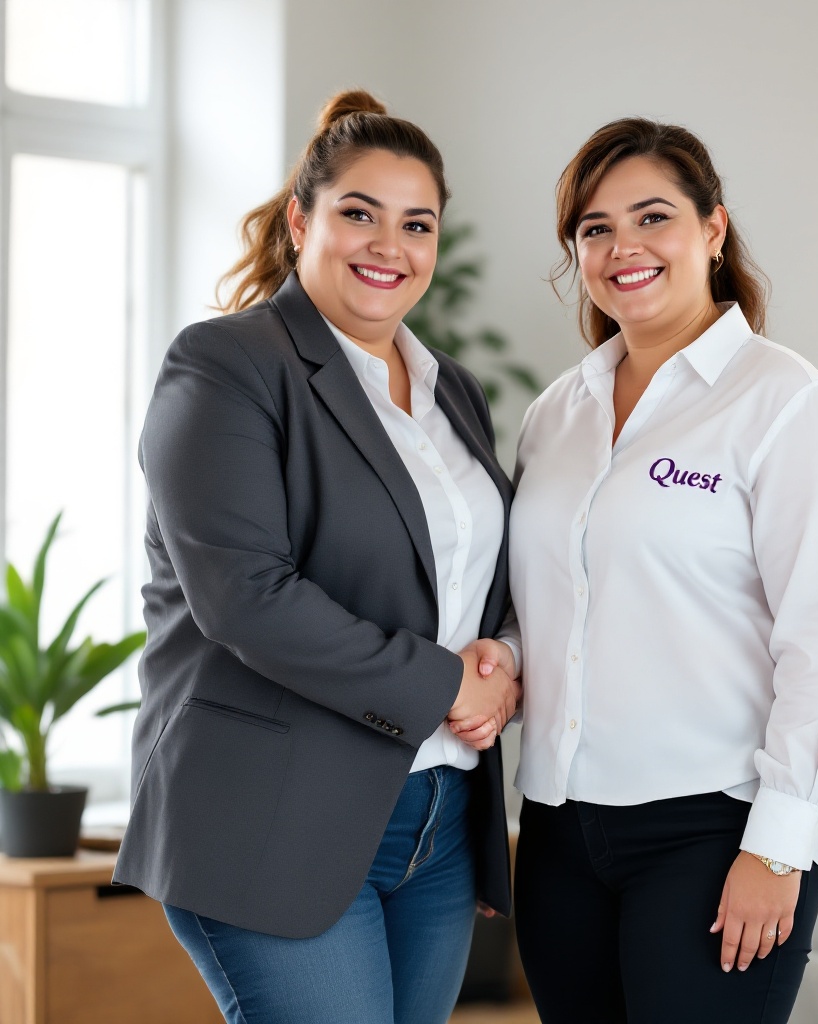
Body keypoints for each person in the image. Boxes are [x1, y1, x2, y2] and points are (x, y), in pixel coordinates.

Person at [113, 89, 521, 1024]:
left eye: (416, 224)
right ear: (302, 220)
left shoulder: (450, 389)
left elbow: (466, 566)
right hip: (271, 815)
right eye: (358, 214)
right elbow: (246, 596)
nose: (390, 246)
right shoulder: (226, 366)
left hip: (438, 824)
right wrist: (444, 684)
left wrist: (499, 650)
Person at [502, 117, 818, 1023]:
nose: (623, 248)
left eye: (652, 217)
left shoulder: (792, 409)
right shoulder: (557, 413)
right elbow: (540, 602)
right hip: (560, 829)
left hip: (717, 828)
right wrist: (500, 660)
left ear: (713, 229)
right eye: (595, 229)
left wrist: (780, 845)